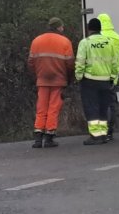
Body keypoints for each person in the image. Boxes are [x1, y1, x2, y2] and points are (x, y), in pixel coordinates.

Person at [27, 17, 75, 148]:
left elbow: (31, 63)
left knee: (41, 108)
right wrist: (69, 79)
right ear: (58, 27)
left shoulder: (37, 40)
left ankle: (38, 137)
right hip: (58, 80)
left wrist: (36, 76)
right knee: (54, 108)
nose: (63, 29)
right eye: (62, 27)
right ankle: (49, 137)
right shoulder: (65, 41)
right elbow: (70, 64)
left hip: (42, 79)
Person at [75, 17, 119, 145]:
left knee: (92, 108)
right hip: (105, 81)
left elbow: (80, 62)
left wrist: (78, 77)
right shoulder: (109, 42)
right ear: (101, 28)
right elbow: (115, 62)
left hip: (89, 80)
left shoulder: (85, 42)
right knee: (103, 108)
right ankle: (104, 134)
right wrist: (112, 78)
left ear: (89, 29)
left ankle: (95, 136)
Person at [97, 13, 119, 140]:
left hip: (97, 77)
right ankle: (110, 130)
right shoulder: (117, 38)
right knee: (110, 104)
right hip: (111, 77)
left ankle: (100, 131)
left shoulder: (97, 38)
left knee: (98, 105)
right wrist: (114, 75)